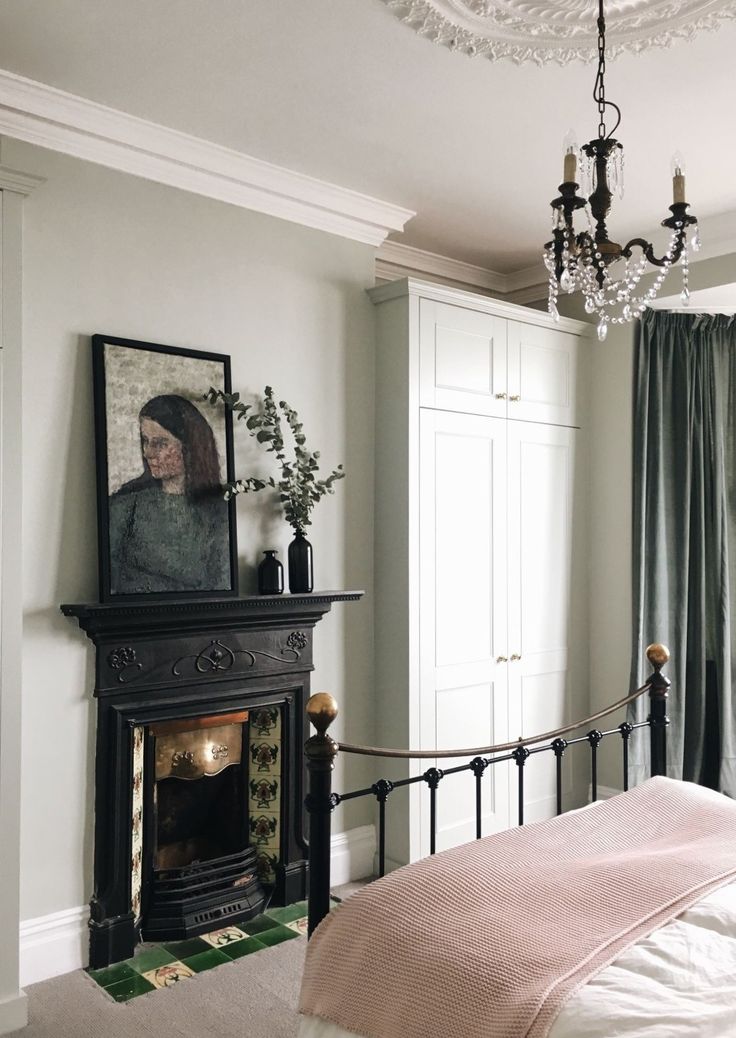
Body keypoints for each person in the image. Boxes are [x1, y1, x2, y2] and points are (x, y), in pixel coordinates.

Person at [108, 394, 231, 594]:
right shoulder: (124, 506)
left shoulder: (219, 513)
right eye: (145, 441)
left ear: (190, 447)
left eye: (160, 443)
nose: (148, 452)